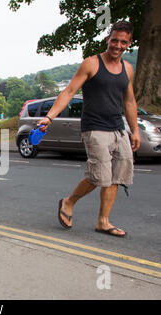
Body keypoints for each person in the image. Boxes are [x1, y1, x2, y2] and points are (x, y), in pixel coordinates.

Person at [37, 21, 140, 237]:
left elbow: (129, 101)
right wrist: (49, 117)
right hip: (95, 128)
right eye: (114, 40)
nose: (118, 46)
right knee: (98, 176)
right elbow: (69, 91)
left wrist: (135, 130)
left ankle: (103, 221)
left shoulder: (127, 69)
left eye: (123, 42)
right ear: (107, 39)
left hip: (118, 129)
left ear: (129, 44)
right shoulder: (92, 64)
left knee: (117, 177)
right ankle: (68, 202)